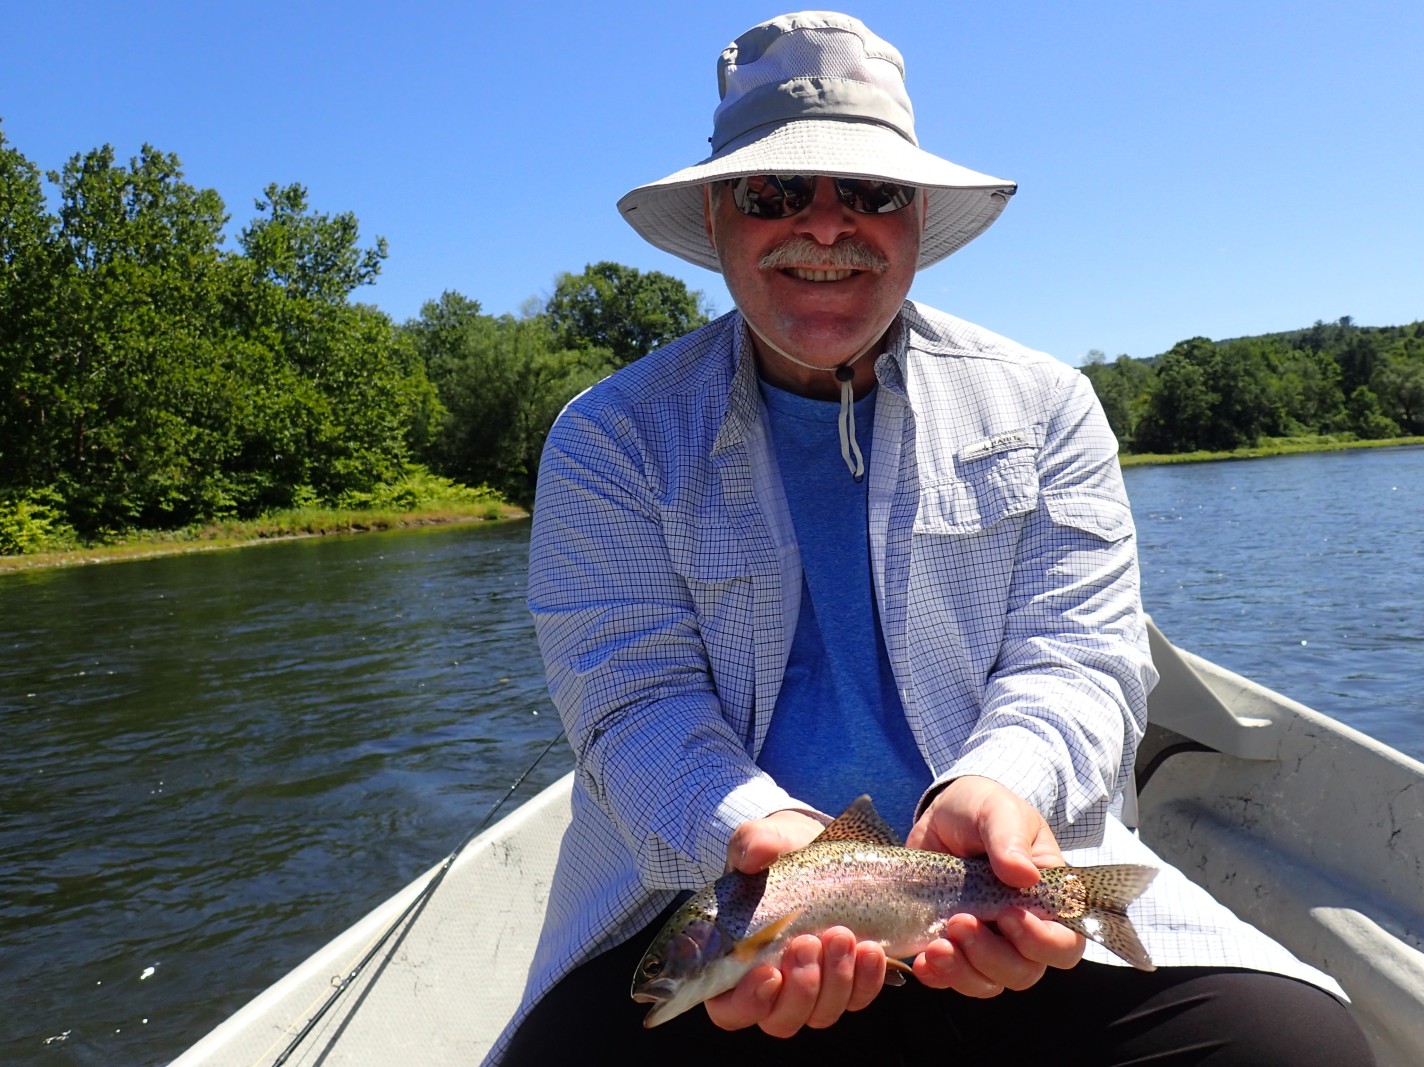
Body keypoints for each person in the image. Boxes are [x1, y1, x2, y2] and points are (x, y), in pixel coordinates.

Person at [490, 12, 1374, 1066]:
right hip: (711, 889)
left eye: (870, 191)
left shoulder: (1048, 404)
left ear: (912, 218)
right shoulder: (610, 435)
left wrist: (998, 784)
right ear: (719, 217)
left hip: (999, 899)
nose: (826, 228)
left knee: (1300, 1051)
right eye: (775, 193)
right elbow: (632, 703)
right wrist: (765, 841)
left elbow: (1080, 656)